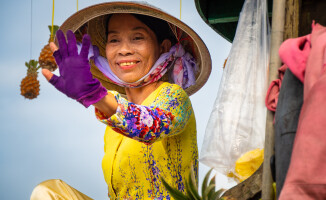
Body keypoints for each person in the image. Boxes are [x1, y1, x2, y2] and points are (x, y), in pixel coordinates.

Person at [30, 2, 211, 200]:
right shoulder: (111, 125)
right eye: (114, 40)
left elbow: (150, 125)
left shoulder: (174, 96)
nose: (124, 50)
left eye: (137, 38)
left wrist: (94, 95)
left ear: (163, 47)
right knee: (47, 191)